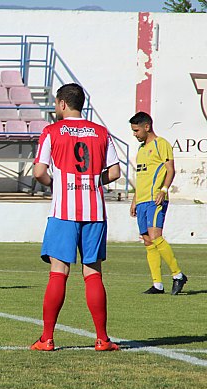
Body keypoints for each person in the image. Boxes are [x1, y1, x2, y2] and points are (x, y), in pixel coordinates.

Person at [31, 83, 121, 352]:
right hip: (95, 212)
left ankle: (47, 338)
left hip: (63, 212)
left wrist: (54, 183)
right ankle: (102, 339)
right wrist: (93, 180)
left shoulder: (52, 131)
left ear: (61, 104)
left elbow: (38, 172)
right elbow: (115, 173)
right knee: (93, 274)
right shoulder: (101, 132)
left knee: (59, 273)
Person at [129, 112, 188, 295]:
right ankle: (157, 284)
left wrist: (163, 190)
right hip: (142, 201)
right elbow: (141, 177)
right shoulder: (140, 150)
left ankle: (178, 275)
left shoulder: (161, 144)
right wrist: (134, 200)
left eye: (136, 130)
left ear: (147, 127)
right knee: (147, 241)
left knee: (156, 236)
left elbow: (170, 170)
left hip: (156, 199)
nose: (134, 134)